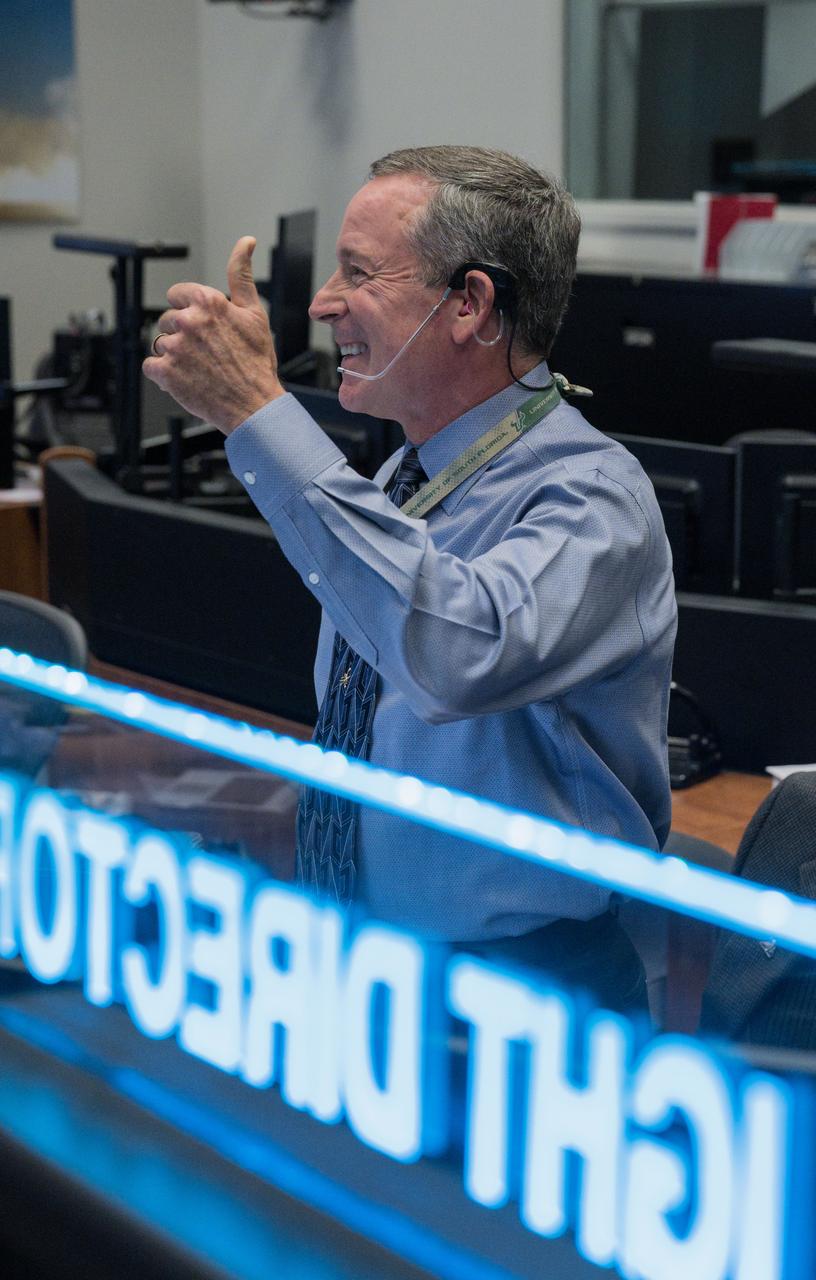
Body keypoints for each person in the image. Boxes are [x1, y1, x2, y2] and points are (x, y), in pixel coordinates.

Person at [144, 145, 676, 1011]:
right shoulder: (406, 479)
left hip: (525, 993)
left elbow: (453, 654)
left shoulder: (590, 495)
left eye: (359, 273)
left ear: (468, 305)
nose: (322, 304)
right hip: (370, 964)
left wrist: (260, 414)